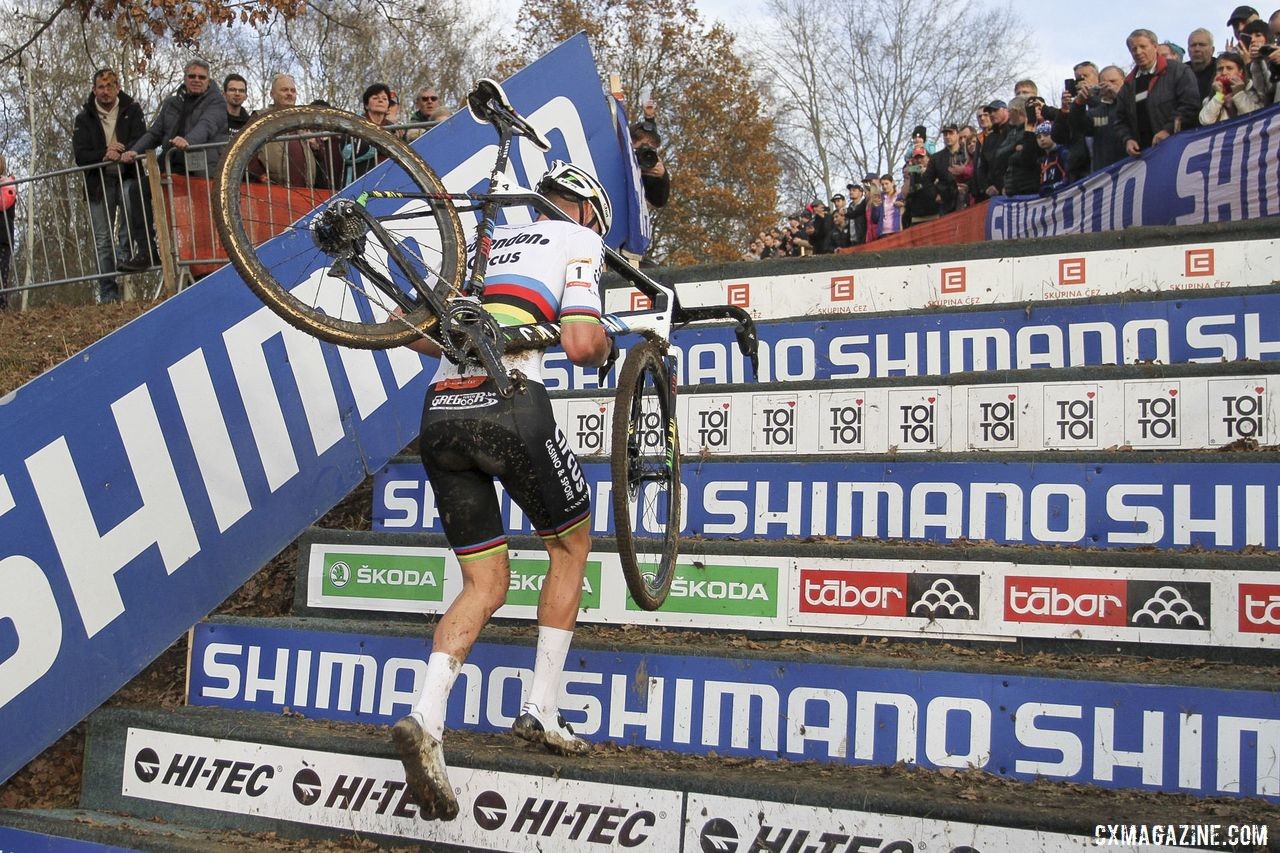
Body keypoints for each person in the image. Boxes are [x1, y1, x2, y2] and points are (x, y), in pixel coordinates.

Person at [391, 161, 614, 821]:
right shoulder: (579, 240)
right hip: (510, 403)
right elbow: (577, 342)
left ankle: (425, 719)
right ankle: (540, 708)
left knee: (484, 582)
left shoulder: (486, 245)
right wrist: (605, 346)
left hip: (440, 413)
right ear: (588, 211)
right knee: (571, 545)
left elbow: (412, 336)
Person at [72, 67, 150, 300]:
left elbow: (142, 138)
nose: (105, 91)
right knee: (102, 239)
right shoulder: (84, 118)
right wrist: (105, 154)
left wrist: (125, 150)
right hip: (99, 182)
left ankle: (125, 259)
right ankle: (108, 292)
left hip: (128, 176)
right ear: (93, 90)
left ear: (118, 87)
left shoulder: (132, 110)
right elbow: (81, 155)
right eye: (100, 87)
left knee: (130, 226)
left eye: (110, 86)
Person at [122, 59, 228, 178]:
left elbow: (207, 125)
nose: (196, 80)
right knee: (137, 190)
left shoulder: (217, 102)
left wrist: (188, 141)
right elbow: (155, 132)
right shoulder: (171, 103)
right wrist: (135, 150)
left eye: (202, 77)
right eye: (192, 76)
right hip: (169, 165)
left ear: (208, 81)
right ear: (185, 79)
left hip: (202, 170)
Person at [1113, 29, 1201, 157]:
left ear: (1155, 46)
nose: (1138, 52)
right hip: (1143, 157)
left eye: (1143, 46)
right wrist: (1127, 139)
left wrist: (1168, 130)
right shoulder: (1128, 85)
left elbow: (1190, 105)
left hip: (1178, 149)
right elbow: (1120, 120)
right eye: (1134, 49)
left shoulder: (1178, 71)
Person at [247, 74, 323, 188]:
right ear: (272, 94)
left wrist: (316, 145)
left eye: (293, 91)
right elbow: (246, 151)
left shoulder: (304, 119)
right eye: (284, 90)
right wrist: (260, 176)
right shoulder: (260, 117)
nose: (289, 94)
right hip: (270, 190)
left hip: (305, 191)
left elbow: (321, 153)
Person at [1071, 65, 1129, 174]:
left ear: (1124, 81)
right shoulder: (1096, 111)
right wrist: (1078, 104)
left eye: (1113, 81)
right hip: (1105, 173)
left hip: (1131, 166)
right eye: (1104, 83)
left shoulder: (1132, 103)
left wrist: (1119, 96)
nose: (1108, 86)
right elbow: (1078, 127)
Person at [343, 83, 396, 184]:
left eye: (385, 99)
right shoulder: (354, 125)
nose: (380, 100)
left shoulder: (394, 129)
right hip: (359, 182)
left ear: (388, 107)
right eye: (375, 98)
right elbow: (347, 154)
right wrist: (381, 144)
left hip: (387, 183)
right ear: (366, 105)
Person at [1199, 51, 1263, 122]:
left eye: (1229, 68)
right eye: (1220, 69)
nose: (1224, 73)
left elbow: (1255, 119)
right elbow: (1205, 121)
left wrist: (1238, 94)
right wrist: (1219, 96)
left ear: (1240, 71)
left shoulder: (1252, 92)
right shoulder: (1210, 99)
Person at [997, 97, 1040, 196]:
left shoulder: (1033, 127)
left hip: (1028, 187)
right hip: (1012, 188)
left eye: (1009, 111)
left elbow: (1027, 157)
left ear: (1016, 111)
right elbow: (999, 155)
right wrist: (1014, 147)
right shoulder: (1011, 132)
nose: (1008, 115)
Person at [1035, 121, 1070, 195]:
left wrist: (1053, 187)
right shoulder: (1042, 160)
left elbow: (1069, 178)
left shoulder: (1063, 153)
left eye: (1046, 135)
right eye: (1039, 137)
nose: (1042, 139)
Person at [1187, 29, 1218, 106]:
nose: (1197, 49)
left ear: (1212, 50)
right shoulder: (1180, 71)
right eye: (1193, 45)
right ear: (1188, 50)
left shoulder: (1221, 68)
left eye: (1202, 45)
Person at [0, 155, 14, 309]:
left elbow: (4, 202)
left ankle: (2, 305)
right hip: (5, 236)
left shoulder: (9, 185)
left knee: (3, 271)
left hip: (4, 237)